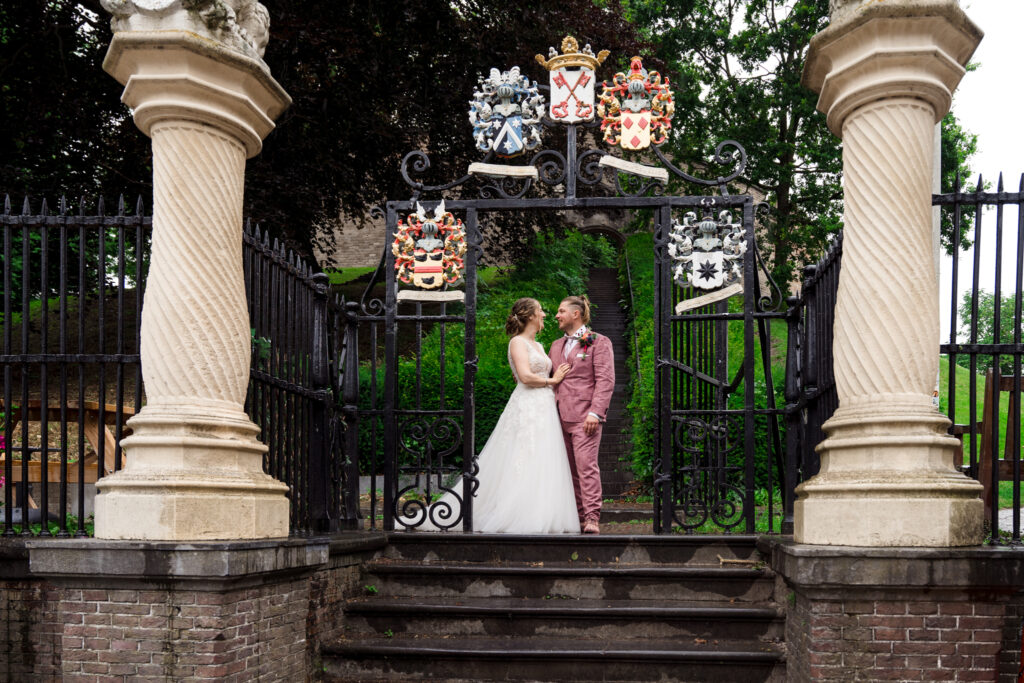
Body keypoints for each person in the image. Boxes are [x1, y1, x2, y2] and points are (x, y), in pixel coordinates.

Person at [405, 298, 580, 533]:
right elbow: (525, 377)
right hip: (527, 405)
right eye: (540, 311)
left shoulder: (538, 345)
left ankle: (540, 511)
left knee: (543, 457)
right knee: (521, 456)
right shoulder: (517, 342)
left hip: (544, 406)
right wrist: (553, 380)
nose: (545, 315)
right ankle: (514, 513)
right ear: (529, 316)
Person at [549, 295, 615, 535]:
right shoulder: (555, 346)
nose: (557, 315)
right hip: (556, 418)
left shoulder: (598, 342)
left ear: (575, 314)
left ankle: (591, 517)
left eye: (561, 311)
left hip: (585, 418)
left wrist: (596, 413)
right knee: (569, 471)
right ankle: (576, 516)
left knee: (586, 468)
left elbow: (605, 380)